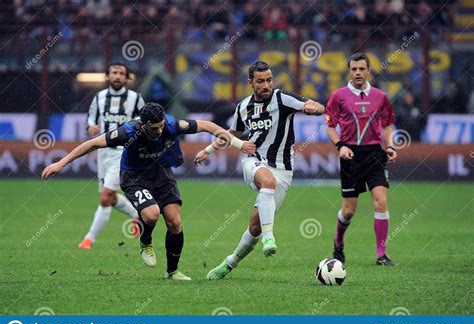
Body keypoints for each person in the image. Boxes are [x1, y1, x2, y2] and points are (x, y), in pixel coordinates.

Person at [42, 103, 256, 280]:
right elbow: (93, 144)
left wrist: (231, 140)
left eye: (161, 126)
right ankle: (145, 242)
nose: (159, 131)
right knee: (152, 214)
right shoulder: (128, 131)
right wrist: (61, 163)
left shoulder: (172, 124)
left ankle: (172, 272)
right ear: (143, 125)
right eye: (154, 128)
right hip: (134, 177)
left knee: (174, 222)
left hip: (162, 174)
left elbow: (205, 125)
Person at [195, 61, 325, 280]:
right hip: (252, 159)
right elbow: (231, 133)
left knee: (254, 226)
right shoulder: (243, 107)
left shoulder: (283, 98)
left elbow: (316, 105)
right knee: (267, 182)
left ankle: (229, 263)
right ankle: (270, 237)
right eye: (261, 81)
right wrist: (208, 150)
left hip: (283, 169)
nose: (266, 85)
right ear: (250, 83)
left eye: (269, 80)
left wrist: (315, 108)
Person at [325, 53, 397, 266]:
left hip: (375, 154)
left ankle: (381, 255)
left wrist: (390, 145)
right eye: (354, 69)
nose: (357, 72)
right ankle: (338, 241)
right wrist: (340, 146)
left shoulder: (380, 97)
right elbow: (330, 127)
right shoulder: (338, 96)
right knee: (348, 211)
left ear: (368, 71)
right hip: (351, 156)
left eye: (361, 69)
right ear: (349, 71)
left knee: (381, 202)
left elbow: (388, 124)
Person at [80, 62, 145, 250]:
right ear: (107, 76)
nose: (117, 76)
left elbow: (145, 119)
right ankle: (137, 213)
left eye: (121, 73)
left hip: (123, 152)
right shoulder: (99, 97)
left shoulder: (135, 98)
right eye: (114, 73)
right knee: (108, 196)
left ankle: (89, 239)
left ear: (126, 78)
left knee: (106, 196)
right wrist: (90, 127)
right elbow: (91, 119)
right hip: (103, 153)